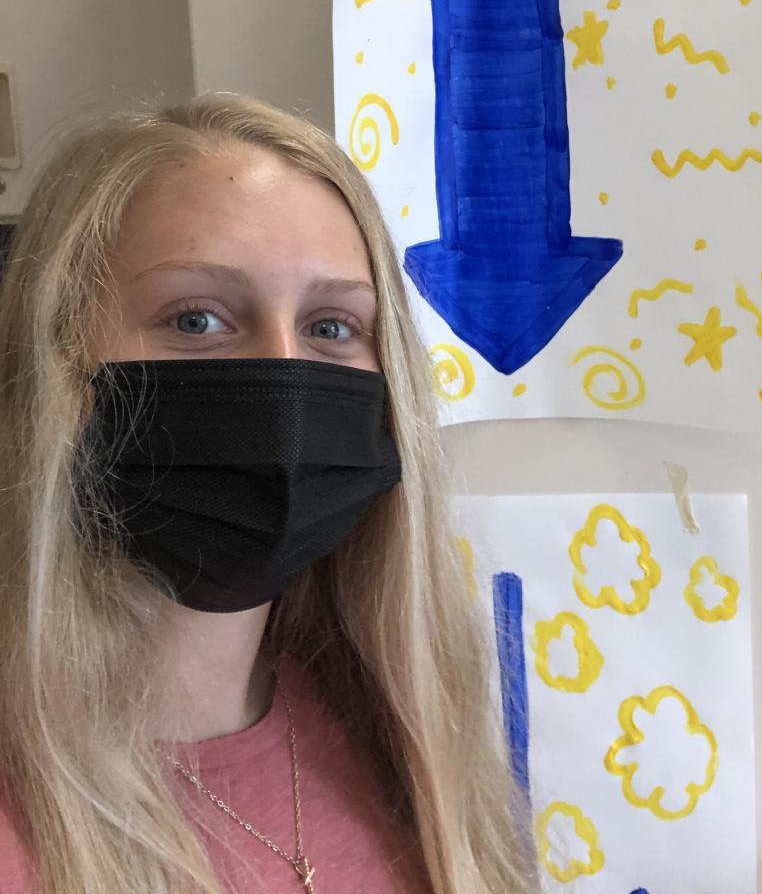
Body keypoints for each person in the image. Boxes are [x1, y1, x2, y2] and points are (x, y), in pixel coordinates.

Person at [0, 93, 534, 894]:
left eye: (330, 327)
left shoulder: (403, 735)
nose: (284, 373)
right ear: (55, 360)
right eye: (197, 319)